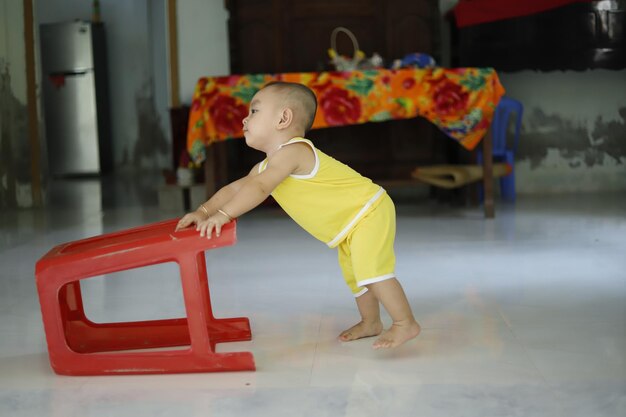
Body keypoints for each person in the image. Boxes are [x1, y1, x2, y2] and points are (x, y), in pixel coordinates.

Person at [176, 81, 421, 349]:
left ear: (283, 118)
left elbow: (259, 188)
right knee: (355, 276)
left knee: (371, 271)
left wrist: (223, 215)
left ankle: (404, 323)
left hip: (369, 211)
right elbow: (236, 188)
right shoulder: (268, 165)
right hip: (349, 225)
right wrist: (203, 211)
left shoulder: (295, 151)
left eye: (254, 111)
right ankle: (371, 322)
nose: (245, 118)